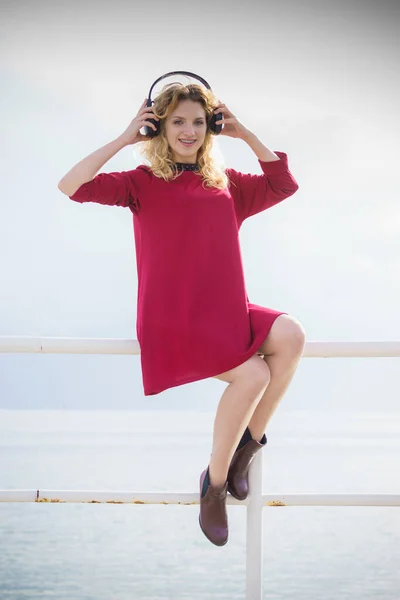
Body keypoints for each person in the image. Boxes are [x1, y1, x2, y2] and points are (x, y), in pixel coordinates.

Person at [58, 81, 305, 547]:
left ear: (210, 126)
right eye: (177, 122)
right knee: (252, 376)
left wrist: (244, 132)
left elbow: (283, 183)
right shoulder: (139, 183)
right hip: (174, 319)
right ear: (160, 126)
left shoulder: (227, 185)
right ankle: (213, 487)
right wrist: (125, 137)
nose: (188, 131)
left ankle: (241, 455)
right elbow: (71, 186)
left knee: (291, 335)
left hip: (224, 313)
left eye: (197, 121)